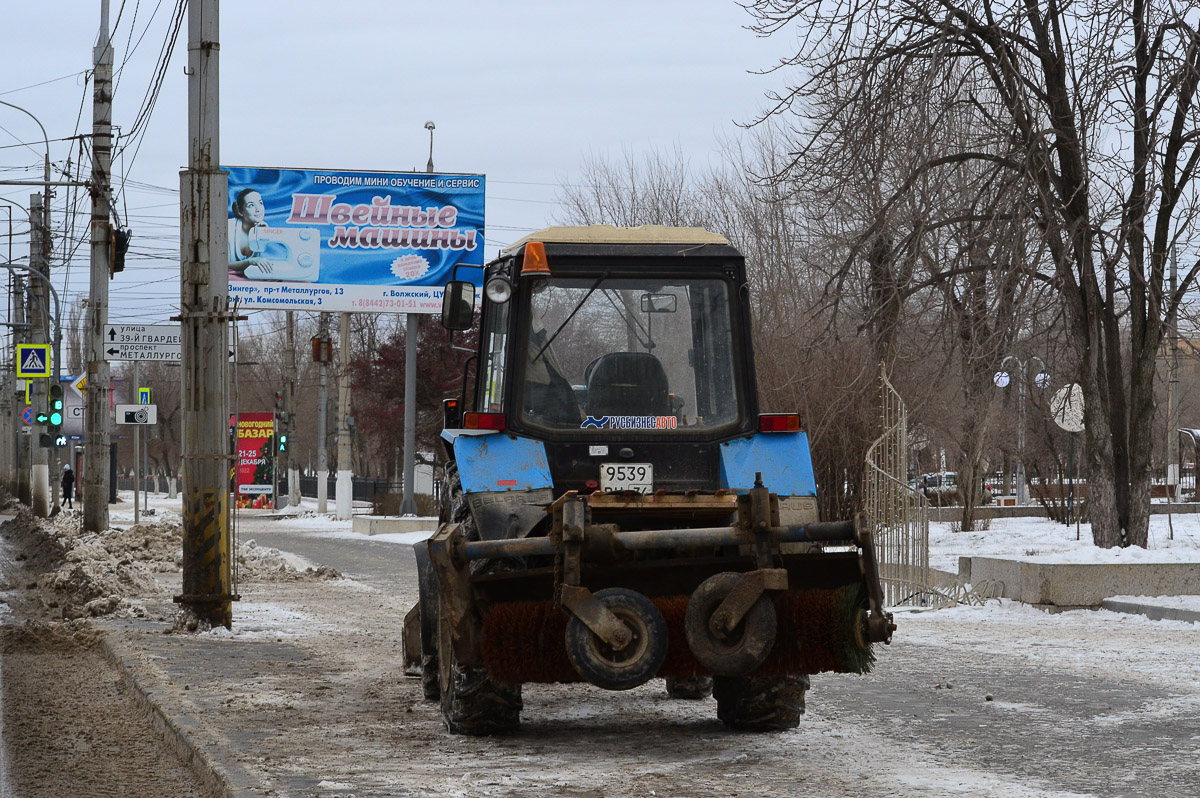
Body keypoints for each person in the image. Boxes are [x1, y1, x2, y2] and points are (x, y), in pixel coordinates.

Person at [228, 188, 274, 276]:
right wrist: (250, 261)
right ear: (241, 212)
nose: (258, 209)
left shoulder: (262, 228)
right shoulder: (227, 228)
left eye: (260, 203)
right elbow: (223, 264)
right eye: (251, 205)